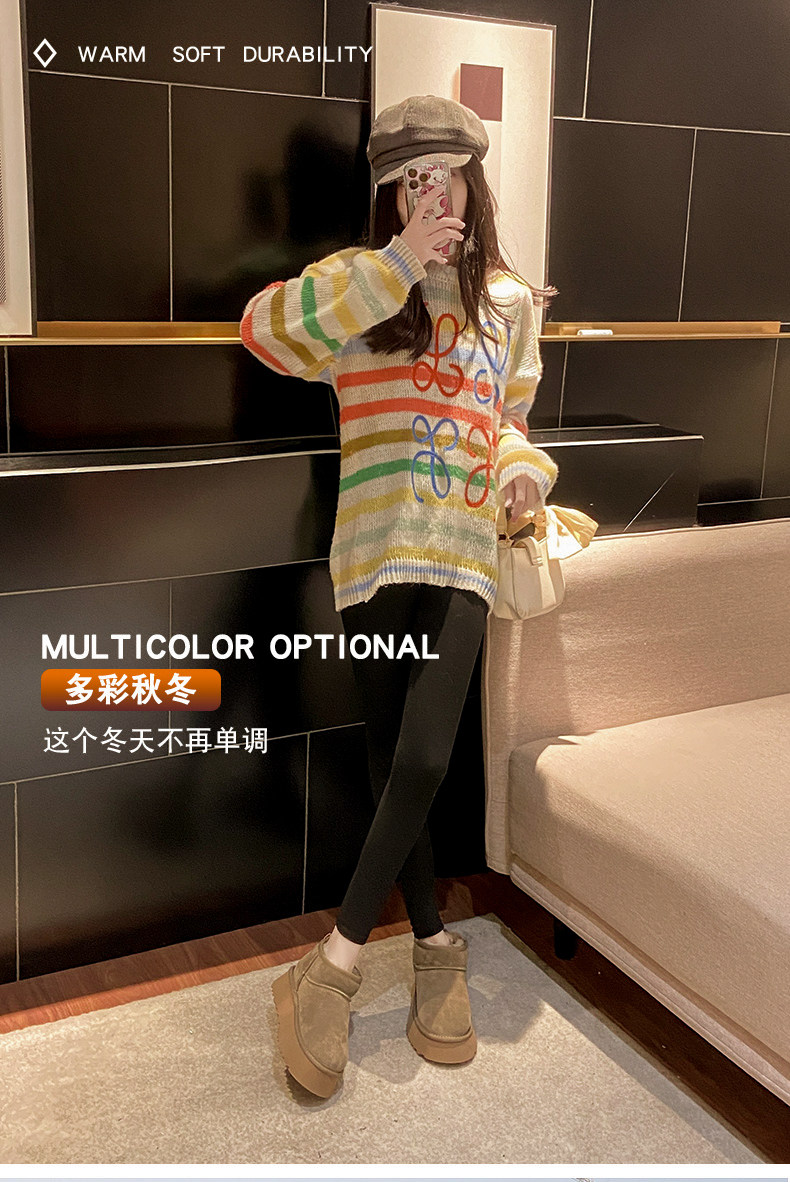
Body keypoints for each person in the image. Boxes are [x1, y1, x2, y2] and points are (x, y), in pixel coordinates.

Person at [240, 94, 559, 1098]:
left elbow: (508, 418)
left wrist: (523, 472)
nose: (434, 196)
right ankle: (433, 950)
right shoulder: (358, 285)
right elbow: (264, 333)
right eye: (412, 181)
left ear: (472, 182)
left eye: (446, 176)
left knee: (424, 758)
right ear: (391, 193)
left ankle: (331, 965)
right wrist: (396, 265)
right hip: (372, 558)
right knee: (393, 765)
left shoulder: (507, 303)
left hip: (462, 553)